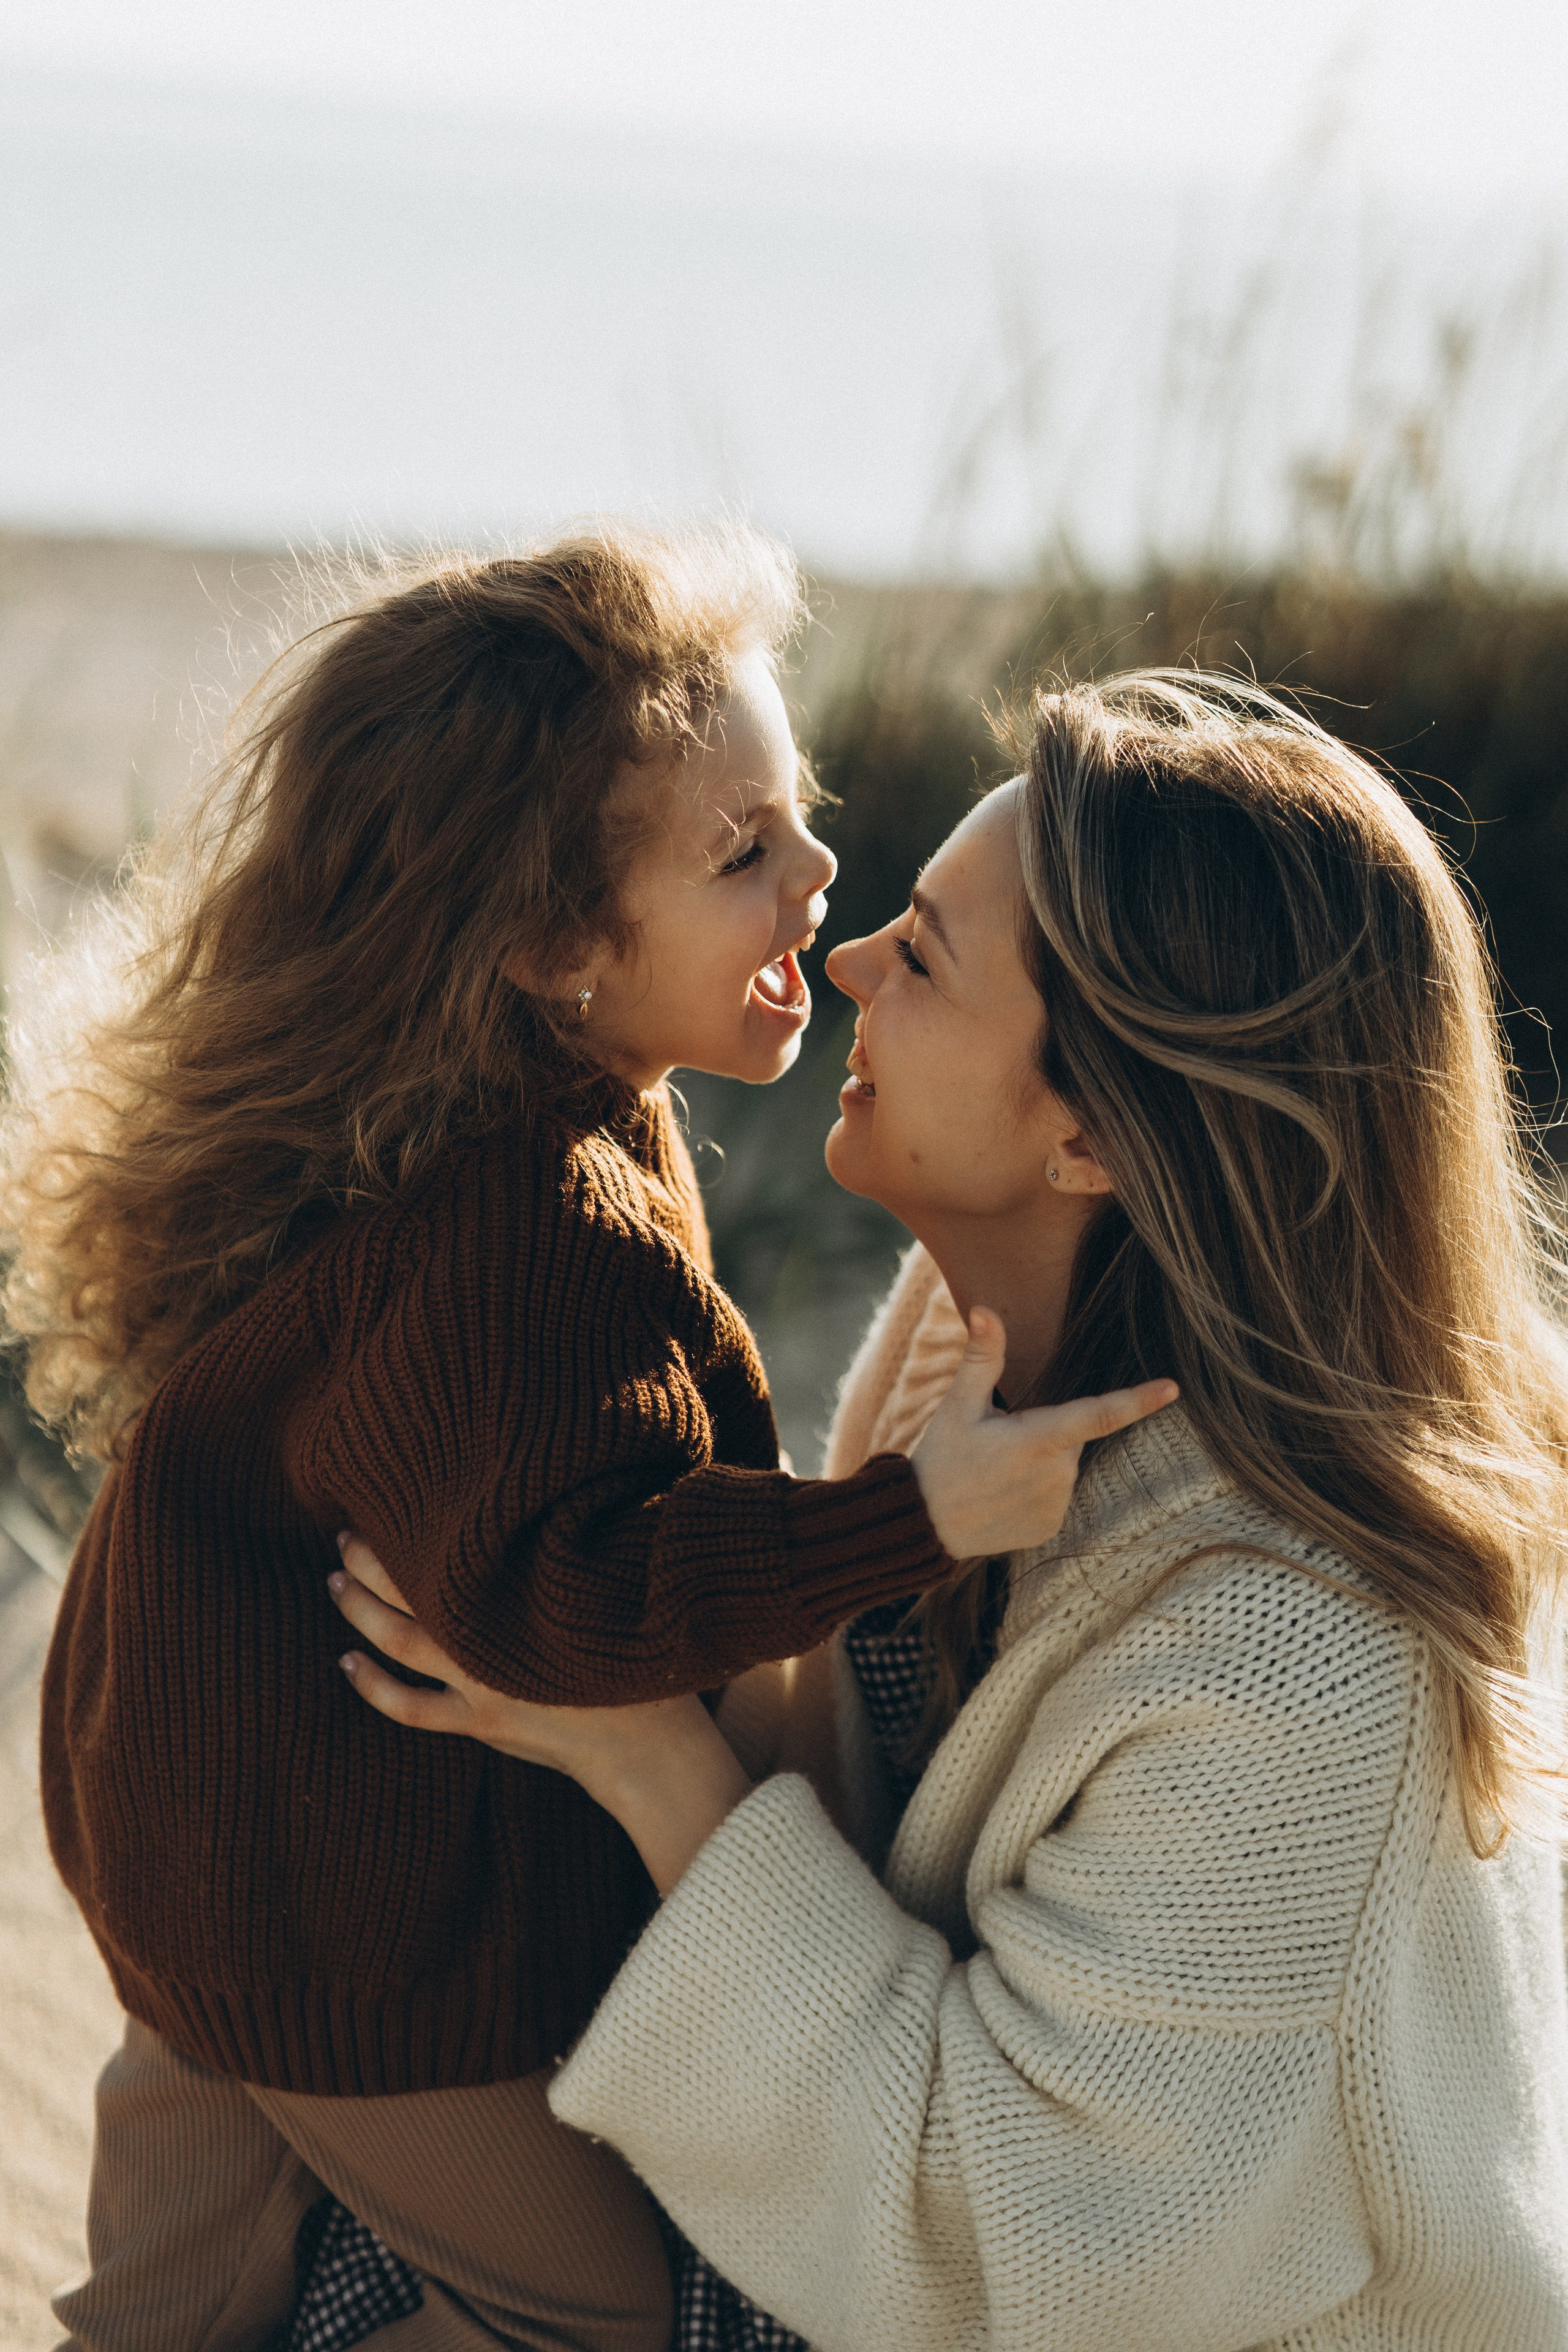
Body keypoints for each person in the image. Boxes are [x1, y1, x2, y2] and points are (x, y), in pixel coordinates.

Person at [9, 527, 1174, 2352]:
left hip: (189, 1853)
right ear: (552, 942)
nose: (820, 879)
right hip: (336, 1937)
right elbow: (572, 1603)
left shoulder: (472, 1120)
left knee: (156, 2312)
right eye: (742, 854)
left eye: (801, 815)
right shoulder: (534, 1226)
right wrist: (907, 1517)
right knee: (599, 2322)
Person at [328, 673, 1568, 2351]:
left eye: (919, 955)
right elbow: (854, 1804)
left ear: (1093, 1135)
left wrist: (640, 1751)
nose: (843, 965)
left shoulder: (1300, 1670)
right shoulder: (970, 1340)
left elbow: (1003, 2247)